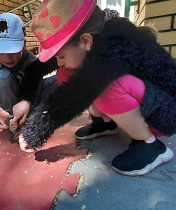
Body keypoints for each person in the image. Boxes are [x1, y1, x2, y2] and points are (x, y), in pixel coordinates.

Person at [18, 0, 176, 176]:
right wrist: (25, 99)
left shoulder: (117, 39)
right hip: (141, 98)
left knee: (101, 84)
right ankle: (105, 124)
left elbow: (73, 96)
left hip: (165, 110)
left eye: (60, 56)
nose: (58, 62)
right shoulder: (85, 38)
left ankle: (150, 146)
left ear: (86, 41)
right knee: (65, 73)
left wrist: (35, 132)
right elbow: (37, 68)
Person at [0, 12, 58, 133]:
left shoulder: (30, 60)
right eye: (1, 51)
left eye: (13, 50)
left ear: (24, 45)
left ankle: (30, 116)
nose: (8, 57)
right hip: (9, 99)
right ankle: (15, 117)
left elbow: (36, 89)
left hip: (31, 100)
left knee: (60, 79)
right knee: (3, 76)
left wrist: (27, 103)